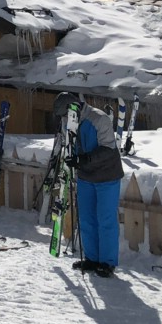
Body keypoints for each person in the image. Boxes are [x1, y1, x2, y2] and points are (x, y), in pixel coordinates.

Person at [55, 92, 124, 277]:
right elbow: (68, 144)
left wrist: (82, 159)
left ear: (73, 108)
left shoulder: (98, 118)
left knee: (106, 219)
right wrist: (70, 158)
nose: (63, 119)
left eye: (64, 114)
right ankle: (92, 258)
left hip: (107, 176)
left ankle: (107, 262)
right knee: (86, 218)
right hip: (85, 176)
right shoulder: (68, 122)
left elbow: (109, 149)